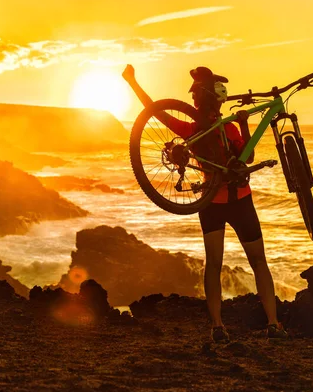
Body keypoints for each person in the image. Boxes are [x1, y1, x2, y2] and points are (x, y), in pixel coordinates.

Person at [122, 64, 288, 342]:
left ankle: (217, 327)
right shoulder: (229, 128)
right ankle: (273, 324)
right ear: (217, 101)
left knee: (214, 264)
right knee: (259, 262)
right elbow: (247, 158)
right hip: (241, 201)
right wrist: (245, 124)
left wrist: (132, 83)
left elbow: (154, 110)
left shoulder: (191, 129)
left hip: (211, 204)